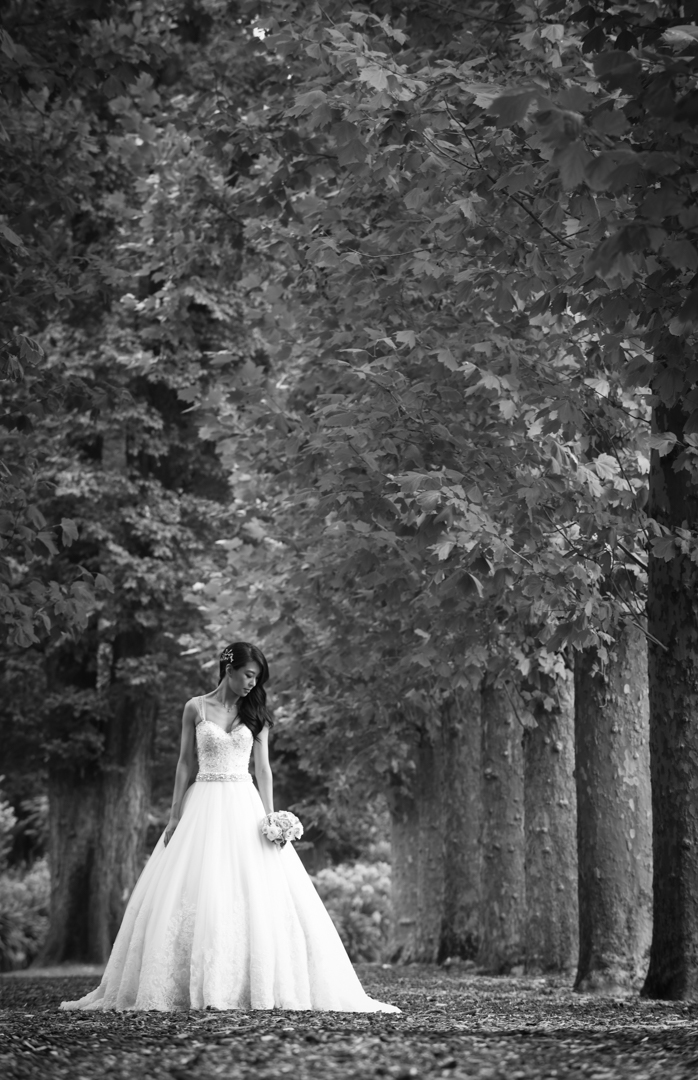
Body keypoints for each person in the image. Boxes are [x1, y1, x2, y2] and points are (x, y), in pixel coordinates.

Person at [60, 642, 400, 1013]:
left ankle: (249, 982)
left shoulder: (255, 713)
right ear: (229, 669)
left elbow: (264, 769)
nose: (253, 684)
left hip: (243, 804)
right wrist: (174, 815)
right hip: (202, 803)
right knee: (195, 886)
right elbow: (184, 764)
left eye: (258, 678)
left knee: (250, 889)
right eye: (249, 675)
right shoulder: (195, 707)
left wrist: (272, 818)